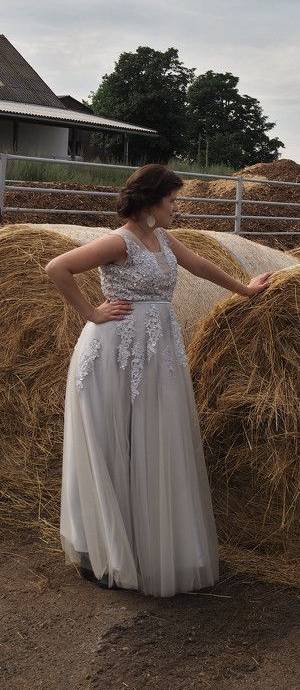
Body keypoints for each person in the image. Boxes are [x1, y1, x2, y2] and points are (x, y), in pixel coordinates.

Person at [45, 163, 272, 596]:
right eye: (172, 201)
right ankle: (105, 551)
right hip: (113, 353)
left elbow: (201, 266)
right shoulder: (118, 242)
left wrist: (244, 289)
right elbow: (57, 268)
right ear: (150, 202)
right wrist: (91, 312)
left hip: (156, 354)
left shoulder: (163, 239)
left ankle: (143, 544)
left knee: (151, 442)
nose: (176, 208)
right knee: (112, 443)